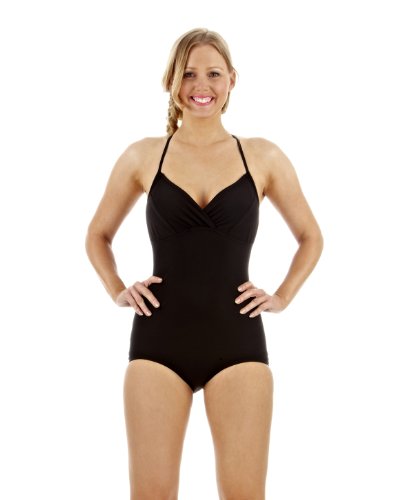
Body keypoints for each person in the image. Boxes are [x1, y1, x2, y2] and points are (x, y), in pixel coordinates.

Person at [85, 27, 323, 500]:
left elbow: (310, 237)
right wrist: (117, 288)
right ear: (171, 81)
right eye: (189, 73)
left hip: (237, 342)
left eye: (214, 74)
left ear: (232, 79)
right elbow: (98, 235)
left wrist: (282, 296)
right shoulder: (143, 156)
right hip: (158, 341)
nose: (201, 85)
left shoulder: (262, 156)